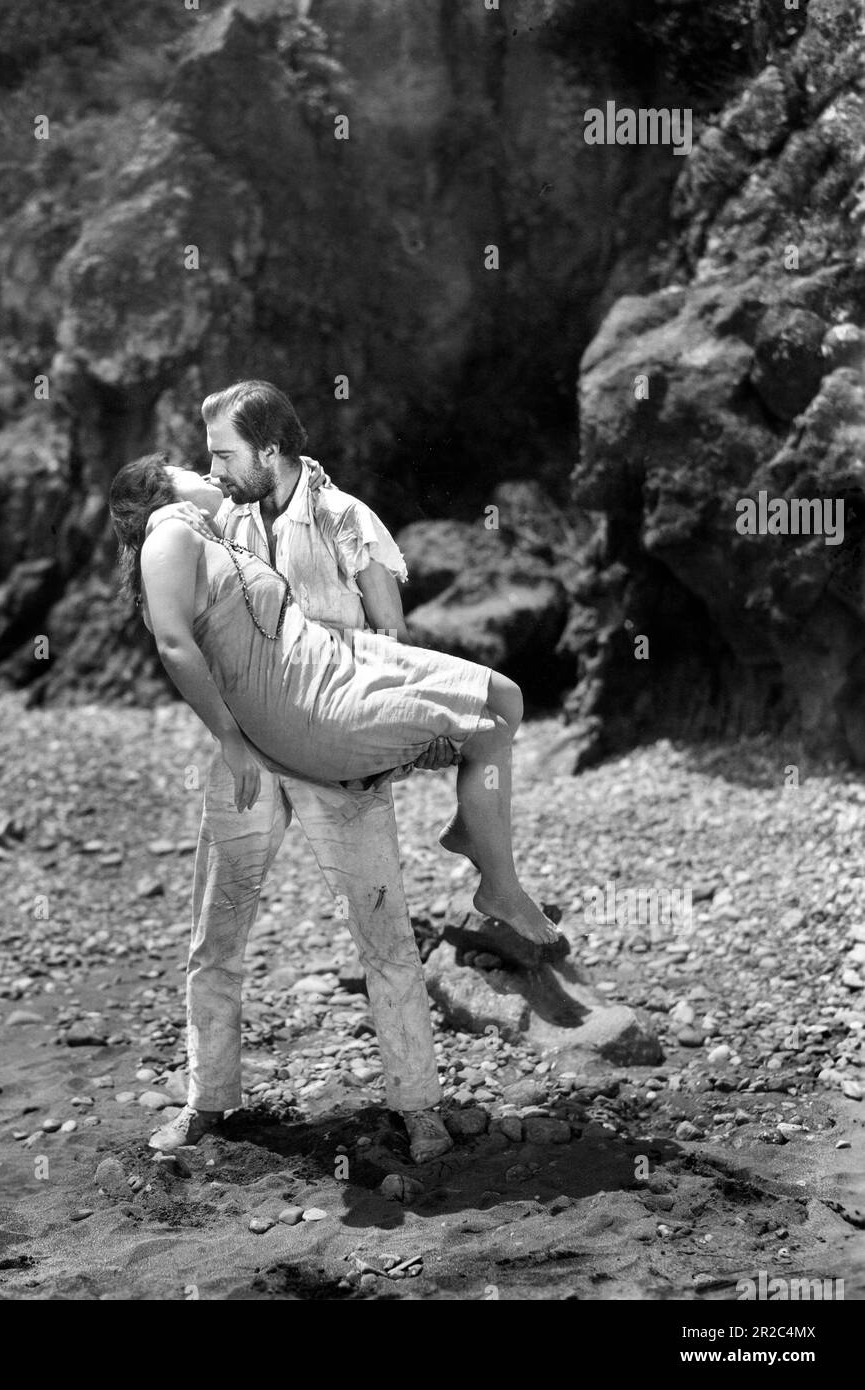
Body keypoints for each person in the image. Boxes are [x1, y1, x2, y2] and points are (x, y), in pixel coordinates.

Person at [108, 386, 568, 1163]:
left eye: (222, 453)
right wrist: (229, 736)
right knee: (215, 938)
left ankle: (418, 1105)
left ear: (270, 452)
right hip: (249, 758)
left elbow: (390, 638)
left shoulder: (345, 516)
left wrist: (407, 736)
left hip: (339, 734)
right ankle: (207, 1102)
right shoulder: (217, 521)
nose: (212, 469)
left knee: (385, 939)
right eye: (204, 460)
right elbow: (182, 625)